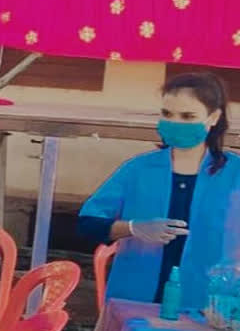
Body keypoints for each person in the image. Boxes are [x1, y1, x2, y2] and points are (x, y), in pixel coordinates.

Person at [78, 72, 240, 308]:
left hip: (210, 304)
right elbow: (88, 223)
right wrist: (134, 228)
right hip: (136, 297)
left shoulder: (235, 173)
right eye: (167, 114)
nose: (176, 123)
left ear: (213, 118)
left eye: (188, 116)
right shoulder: (138, 169)